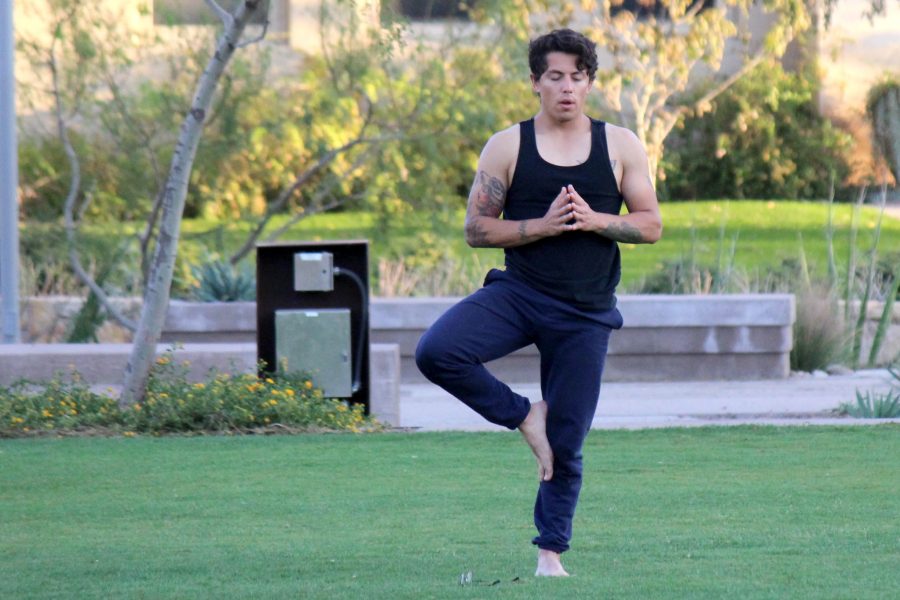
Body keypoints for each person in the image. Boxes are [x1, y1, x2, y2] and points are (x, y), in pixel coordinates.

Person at [415, 28, 662, 577]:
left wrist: (597, 220)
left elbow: (651, 225)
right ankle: (525, 413)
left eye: (578, 76)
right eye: (555, 76)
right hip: (520, 295)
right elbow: (476, 229)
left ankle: (550, 553)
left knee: (568, 440)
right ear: (535, 82)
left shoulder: (620, 145)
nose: (567, 88)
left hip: (585, 313)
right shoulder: (508, 145)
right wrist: (541, 226)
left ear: (590, 82)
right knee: (437, 351)